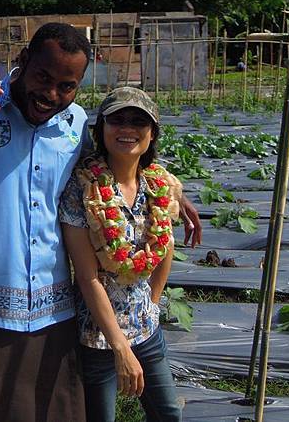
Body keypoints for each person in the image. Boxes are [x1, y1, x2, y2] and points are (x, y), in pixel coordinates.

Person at [0, 22, 200, 422]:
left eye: (66, 86)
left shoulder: (75, 124)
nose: (51, 95)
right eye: (43, 78)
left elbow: (117, 162)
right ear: (23, 61)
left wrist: (173, 191)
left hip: (54, 312)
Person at [60, 87, 184, 422]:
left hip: (147, 327)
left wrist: (152, 305)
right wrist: (120, 346)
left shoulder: (159, 186)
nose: (127, 129)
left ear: (152, 133)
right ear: (101, 130)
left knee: (169, 414)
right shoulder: (82, 188)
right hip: (98, 337)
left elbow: (165, 246)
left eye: (138, 121)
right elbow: (87, 277)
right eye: (117, 120)